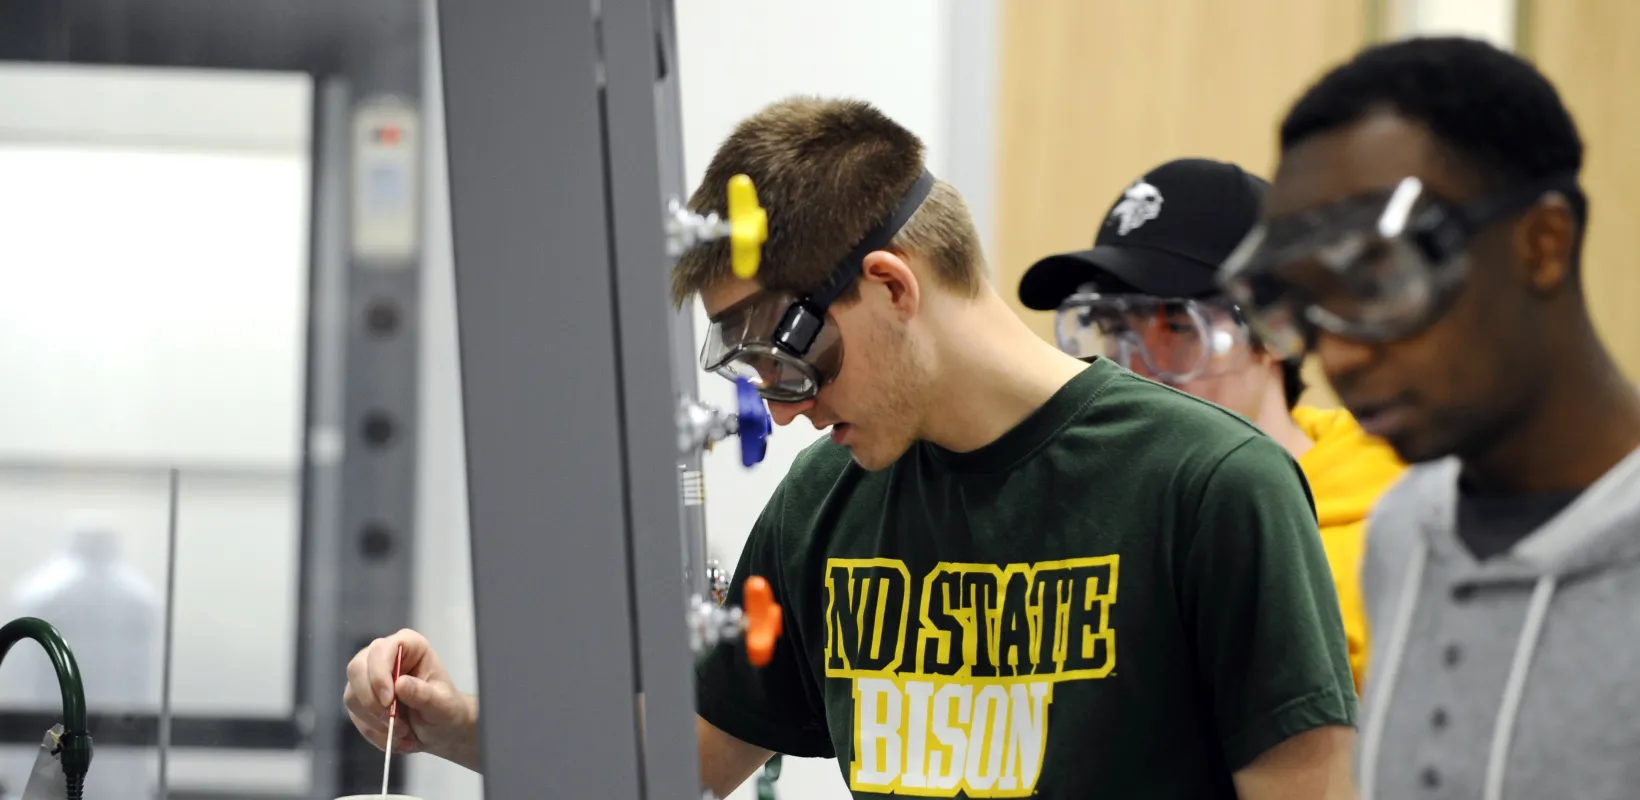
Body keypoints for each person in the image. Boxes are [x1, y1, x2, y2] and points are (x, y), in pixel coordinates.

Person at [345, 97, 1359, 799]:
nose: (784, 411)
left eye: (795, 360)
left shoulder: (1211, 487)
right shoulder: (824, 501)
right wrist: (450, 723)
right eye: (755, 377)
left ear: (890, 284)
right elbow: (683, 758)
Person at [1217, 36, 1640, 800]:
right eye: (1305, 303)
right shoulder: (1404, 529)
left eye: (1377, 278)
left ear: (1542, 244)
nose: (1338, 357)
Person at [1017, 157, 1406, 693]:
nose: (1133, 364)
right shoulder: (1080, 511)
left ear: (1279, 330)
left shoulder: (1391, 529)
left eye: (1177, 325)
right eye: (1112, 327)